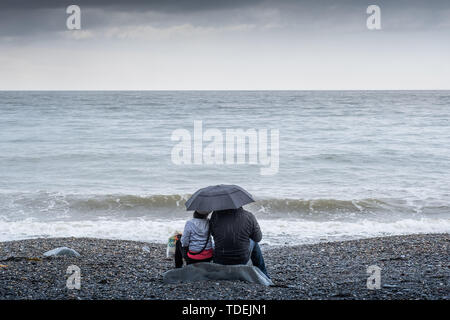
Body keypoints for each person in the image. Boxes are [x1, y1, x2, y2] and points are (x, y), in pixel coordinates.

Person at [209, 206, 269, 278]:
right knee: (254, 242)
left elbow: (212, 233)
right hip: (241, 260)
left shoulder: (215, 215)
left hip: (220, 260)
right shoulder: (249, 216)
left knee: (217, 242)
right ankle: (263, 274)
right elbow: (258, 238)